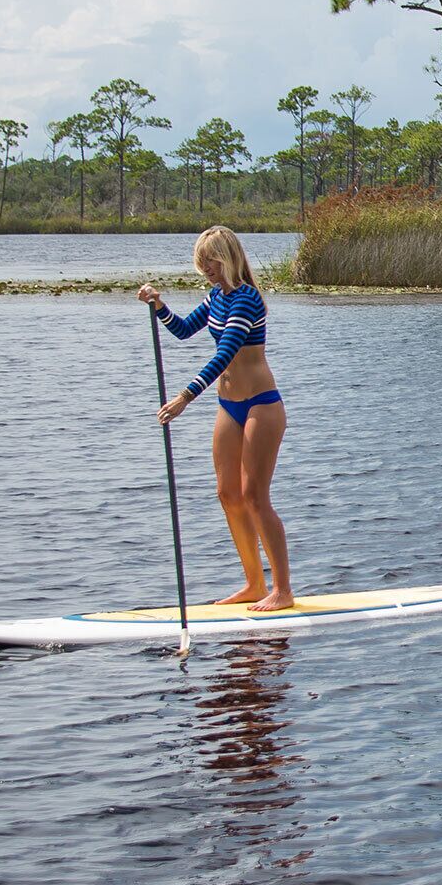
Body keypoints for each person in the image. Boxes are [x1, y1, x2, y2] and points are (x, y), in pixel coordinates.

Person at [137, 225, 293, 613]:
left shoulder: (246, 300)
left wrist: (185, 396)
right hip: (229, 406)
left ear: (228, 257)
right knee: (228, 494)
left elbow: (225, 352)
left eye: (211, 259)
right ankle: (255, 584)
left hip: (261, 405)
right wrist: (159, 306)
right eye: (200, 260)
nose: (205, 266)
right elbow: (185, 330)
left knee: (256, 497)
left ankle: (283, 589)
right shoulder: (216, 298)